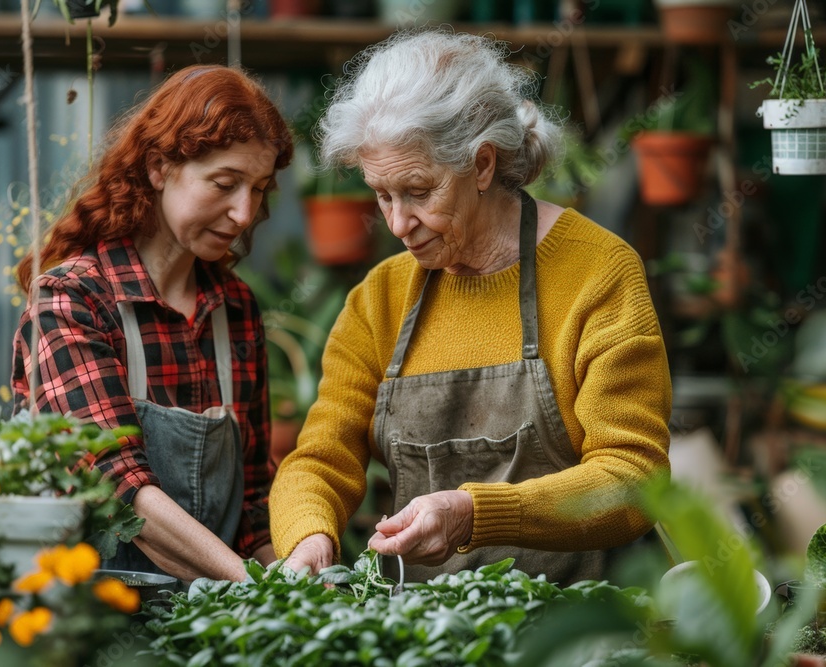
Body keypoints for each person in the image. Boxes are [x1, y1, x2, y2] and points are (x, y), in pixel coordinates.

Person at [270, 31, 672, 586]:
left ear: (483, 165)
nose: (396, 223)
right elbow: (319, 460)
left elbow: (633, 479)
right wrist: (309, 535)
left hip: (578, 624)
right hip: (427, 629)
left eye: (417, 190)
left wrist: (472, 513)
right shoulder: (379, 299)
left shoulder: (597, 272)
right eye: (381, 194)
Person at [11, 65, 293, 583]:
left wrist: (296, 584)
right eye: (225, 184)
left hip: (212, 623)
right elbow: (118, 491)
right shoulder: (71, 299)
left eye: (258, 188)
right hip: (90, 620)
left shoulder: (236, 309)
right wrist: (255, 588)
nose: (244, 214)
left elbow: (253, 501)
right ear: (159, 167)